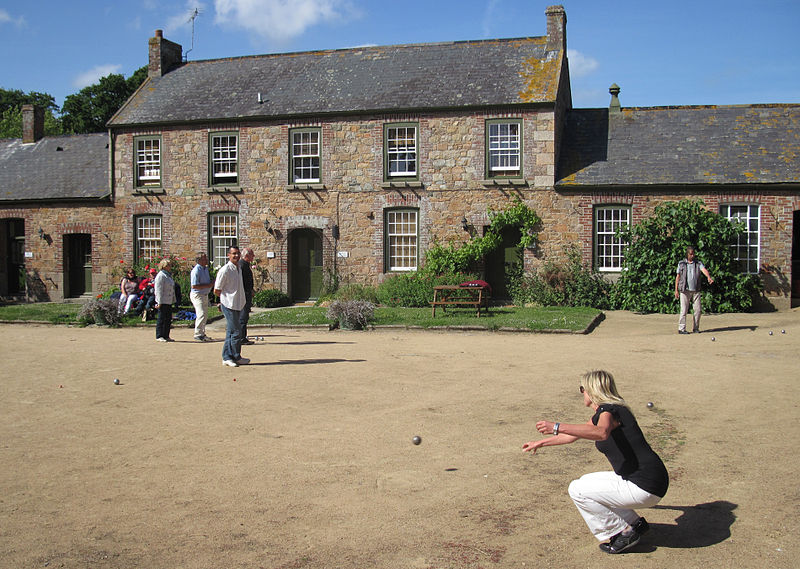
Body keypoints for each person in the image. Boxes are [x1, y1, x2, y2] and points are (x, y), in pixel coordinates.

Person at [522, 370, 669, 555]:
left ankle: (621, 533)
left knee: (577, 490)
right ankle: (635, 524)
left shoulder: (608, 412)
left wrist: (556, 426)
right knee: (585, 482)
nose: (581, 392)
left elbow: (601, 433)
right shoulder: (609, 411)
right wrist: (540, 443)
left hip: (645, 486)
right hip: (651, 479)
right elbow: (572, 437)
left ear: (592, 390)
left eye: (582, 388)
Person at [214, 246, 249, 367]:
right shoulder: (225, 270)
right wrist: (222, 301)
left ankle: (232, 356)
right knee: (236, 331)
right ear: (228, 255)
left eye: (238, 254)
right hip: (229, 304)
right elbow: (217, 289)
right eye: (234, 254)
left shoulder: (238, 268)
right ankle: (231, 356)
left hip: (238, 303)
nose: (236, 256)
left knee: (231, 331)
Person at [674, 246, 714, 334]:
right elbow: (678, 277)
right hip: (684, 290)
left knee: (698, 310)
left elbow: (704, 270)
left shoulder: (698, 263)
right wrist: (676, 290)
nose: (692, 256)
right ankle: (681, 328)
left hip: (696, 290)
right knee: (684, 310)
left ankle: (696, 328)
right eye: (690, 254)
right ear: (687, 254)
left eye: (693, 254)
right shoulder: (681, 264)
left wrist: (708, 277)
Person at [190, 252, 214, 341]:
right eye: (204, 258)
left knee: (205, 314)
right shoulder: (196, 270)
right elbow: (194, 286)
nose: (207, 260)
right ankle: (197, 334)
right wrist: (208, 285)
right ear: (199, 260)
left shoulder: (205, 269)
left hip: (204, 294)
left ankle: (202, 333)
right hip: (197, 295)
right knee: (201, 314)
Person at [154, 258, 176, 342]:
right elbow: (158, 290)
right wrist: (159, 302)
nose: (170, 267)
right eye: (168, 265)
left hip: (168, 300)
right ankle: (159, 335)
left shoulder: (168, 275)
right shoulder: (160, 276)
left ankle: (166, 335)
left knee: (168, 319)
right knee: (161, 318)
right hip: (162, 300)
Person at [239, 247, 255, 345]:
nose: (253, 257)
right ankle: (241, 338)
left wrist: (251, 290)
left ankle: (243, 337)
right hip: (243, 295)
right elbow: (241, 282)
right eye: (252, 255)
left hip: (247, 293)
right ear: (247, 255)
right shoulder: (242, 265)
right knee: (243, 316)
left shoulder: (245, 265)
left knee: (245, 317)